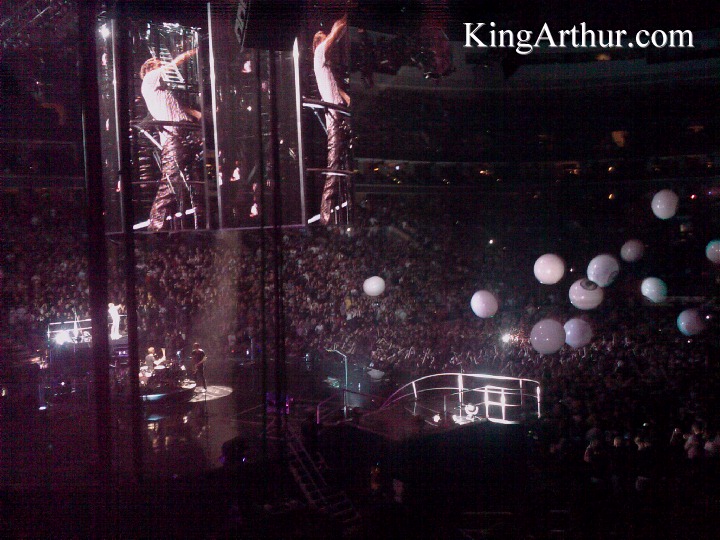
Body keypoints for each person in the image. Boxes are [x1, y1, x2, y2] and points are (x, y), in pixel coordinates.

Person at [139, 48, 202, 231]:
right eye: (159, 64)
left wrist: (198, 115)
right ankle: (156, 226)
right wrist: (192, 52)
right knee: (171, 179)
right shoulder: (149, 79)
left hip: (185, 133)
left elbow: (180, 108)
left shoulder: (161, 91)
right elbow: (174, 64)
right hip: (174, 136)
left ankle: (194, 220)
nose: (162, 66)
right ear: (151, 68)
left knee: (188, 178)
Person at [313, 15, 352, 225]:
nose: (326, 36)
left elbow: (340, 92)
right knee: (334, 161)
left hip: (340, 114)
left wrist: (349, 100)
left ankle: (345, 206)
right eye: (323, 36)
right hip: (335, 118)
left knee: (343, 159)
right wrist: (346, 18)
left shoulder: (325, 67)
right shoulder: (319, 53)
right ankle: (326, 215)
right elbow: (335, 32)